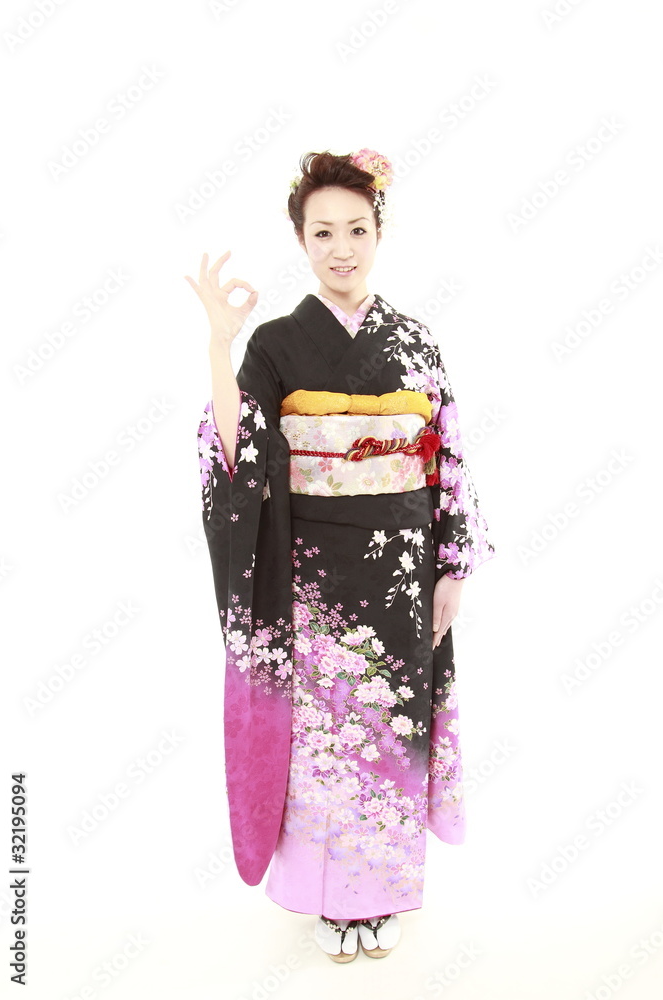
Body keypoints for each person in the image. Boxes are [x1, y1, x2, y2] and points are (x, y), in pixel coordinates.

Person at [187, 149, 495, 963]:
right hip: (313, 578)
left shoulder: (415, 340)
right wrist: (220, 346)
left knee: (391, 729)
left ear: (378, 232)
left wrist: (452, 567)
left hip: (401, 572)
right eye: (322, 232)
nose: (340, 247)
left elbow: (446, 455)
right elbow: (239, 453)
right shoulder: (275, 345)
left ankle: (382, 892)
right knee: (325, 740)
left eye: (356, 229)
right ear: (300, 239)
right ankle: (329, 900)